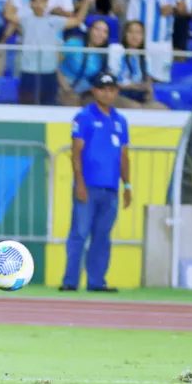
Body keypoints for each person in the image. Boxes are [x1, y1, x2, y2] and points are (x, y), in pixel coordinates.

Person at [60, 72, 131, 293]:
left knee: (102, 236)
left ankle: (96, 282)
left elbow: (124, 156)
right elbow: (76, 152)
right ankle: (70, 281)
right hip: (88, 186)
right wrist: (79, 184)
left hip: (110, 188)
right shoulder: (84, 117)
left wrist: (127, 186)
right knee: (79, 234)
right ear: (95, 91)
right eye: (103, 89)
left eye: (112, 89)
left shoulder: (120, 120)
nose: (108, 93)